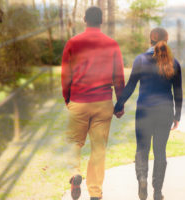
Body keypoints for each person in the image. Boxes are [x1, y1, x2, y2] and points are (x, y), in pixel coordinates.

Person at [61, 6, 125, 200]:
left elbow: (66, 75)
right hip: (103, 103)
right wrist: (119, 103)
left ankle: (75, 174)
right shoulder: (112, 44)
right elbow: (119, 77)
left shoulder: (73, 43)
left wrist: (67, 98)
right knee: (98, 149)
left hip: (79, 101)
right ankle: (95, 193)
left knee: (74, 142)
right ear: (102, 21)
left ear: (84, 19)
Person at [114, 27, 183, 200]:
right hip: (165, 111)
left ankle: (142, 179)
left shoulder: (140, 60)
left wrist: (119, 105)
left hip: (144, 111)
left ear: (150, 40)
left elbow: (131, 85)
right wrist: (177, 116)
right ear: (166, 41)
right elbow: (178, 93)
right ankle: (157, 192)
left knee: (142, 149)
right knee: (160, 152)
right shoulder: (174, 63)